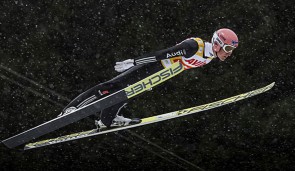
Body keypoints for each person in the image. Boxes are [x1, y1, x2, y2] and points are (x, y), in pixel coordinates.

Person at [59, 28, 239, 128]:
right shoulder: (195, 46)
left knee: (127, 95)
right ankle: (72, 108)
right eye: (228, 49)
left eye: (232, 50)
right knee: (112, 87)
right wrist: (134, 62)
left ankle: (107, 120)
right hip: (151, 66)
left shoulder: (209, 57)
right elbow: (163, 54)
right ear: (217, 44)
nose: (229, 54)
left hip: (160, 74)